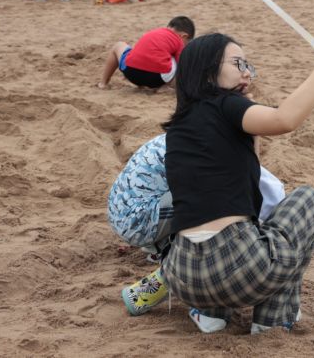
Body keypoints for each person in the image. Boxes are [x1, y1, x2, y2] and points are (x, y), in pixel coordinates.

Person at [160, 25, 314, 334]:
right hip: (238, 267)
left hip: (182, 274)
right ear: (207, 71)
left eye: (247, 65)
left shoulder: (179, 128)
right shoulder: (225, 105)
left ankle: (211, 316)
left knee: (240, 220)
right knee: (309, 201)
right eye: (237, 64)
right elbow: (284, 119)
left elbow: (239, 177)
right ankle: (273, 319)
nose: (246, 72)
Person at [109, 133, 287, 333]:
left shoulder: (197, 130)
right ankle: (166, 268)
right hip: (139, 220)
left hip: (127, 212)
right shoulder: (217, 151)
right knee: (212, 204)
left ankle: (162, 251)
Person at [97, 16, 194, 90]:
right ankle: (165, 87)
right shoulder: (178, 41)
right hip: (157, 79)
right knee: (177, 60)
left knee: (118, 45)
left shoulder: (155, 32)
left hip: (131, 73)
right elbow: (182, 65)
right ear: (184, 36)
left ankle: (103, 83)